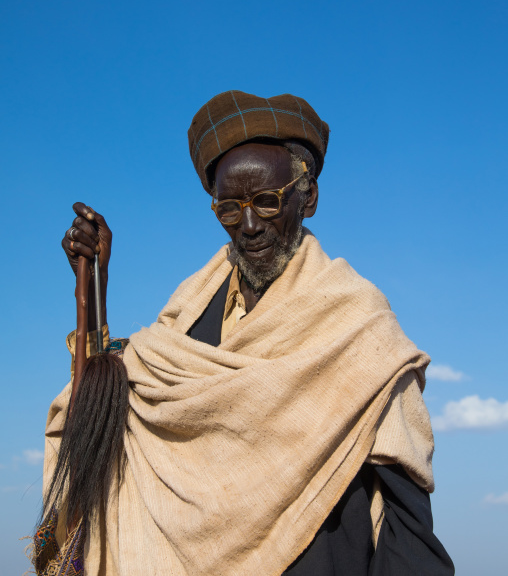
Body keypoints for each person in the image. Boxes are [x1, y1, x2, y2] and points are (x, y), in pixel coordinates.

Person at [34, 90, 454, 575]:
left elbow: (406, 522)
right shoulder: (188, 312)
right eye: (229, 208)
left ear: (308, 197)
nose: (249, 225)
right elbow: (112, 407)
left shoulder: (357, 324)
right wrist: (94, 291)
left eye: (266, 202)